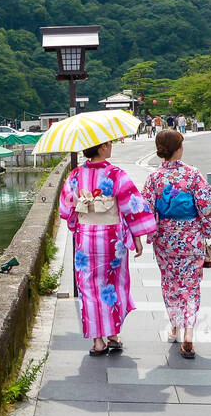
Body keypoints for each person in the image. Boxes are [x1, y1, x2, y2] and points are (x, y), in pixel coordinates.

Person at [58, 140, 157, 356]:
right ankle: (113, 333)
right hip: (112, 239)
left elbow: (66, 208)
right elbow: (132, 207)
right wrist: (137, 236)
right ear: (102, 147)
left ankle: (98, 342)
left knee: (89, 288)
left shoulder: (75, 175)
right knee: (113, 284)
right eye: (109, 143)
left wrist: (83, 211)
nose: (111, 146)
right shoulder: (115, 174)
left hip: (86, 239)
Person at [141, 130, 211, 359]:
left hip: (165, 241)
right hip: (191, 239)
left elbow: (145, 209)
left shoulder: (154, 178)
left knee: (170, 284)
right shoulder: (192, 175)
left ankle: (175, 327)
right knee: (191, 286)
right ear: (178, 148)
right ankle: (188, 334)